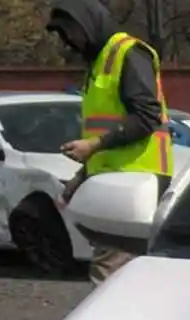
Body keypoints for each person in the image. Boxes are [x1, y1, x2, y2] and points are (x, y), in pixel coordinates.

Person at [45, 0, 173, 285]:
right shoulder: (99, 63)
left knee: (109, 277)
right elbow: (105, 136)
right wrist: (80, 180)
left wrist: (94, 145)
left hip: (134, 185)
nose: (69, 42)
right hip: (117, 185)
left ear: (89, 23)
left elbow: (146, 117)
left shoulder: (128, 53)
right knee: (126, 278)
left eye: (70, 33)